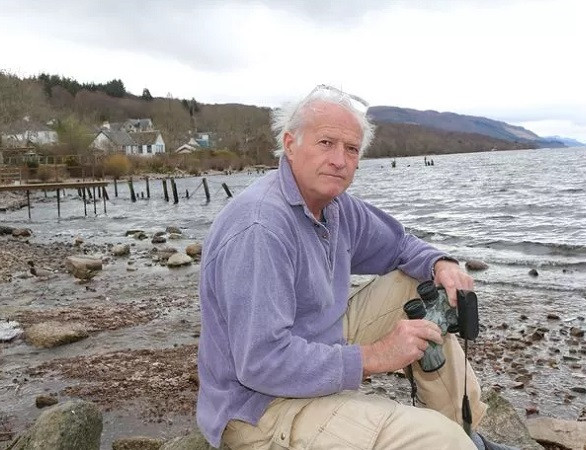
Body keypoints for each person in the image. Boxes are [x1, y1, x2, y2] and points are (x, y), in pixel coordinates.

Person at [196, 85, 512, 449]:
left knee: (419, 286)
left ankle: (465, 431)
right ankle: (453, 441)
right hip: (259, 408)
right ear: (290, 144)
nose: (339, 160)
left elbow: (399, 245)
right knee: (439, 442)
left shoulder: (335, 206)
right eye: (326, 143)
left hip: (313, 341)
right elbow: (261, 362)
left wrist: (441, 264)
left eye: (351, 149)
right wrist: (375, 357)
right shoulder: (261, 227)